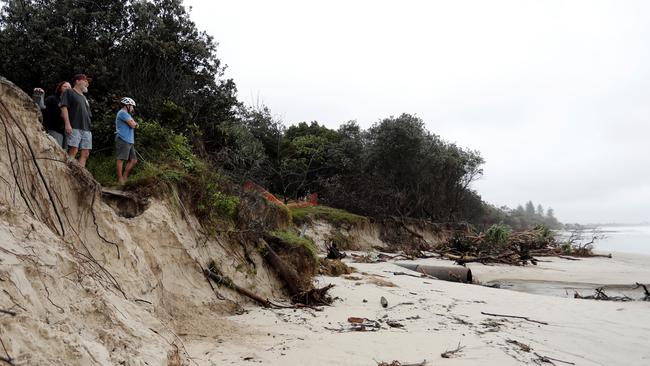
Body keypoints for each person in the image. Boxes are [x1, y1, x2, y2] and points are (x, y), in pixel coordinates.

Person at [60, 74, 92, 167]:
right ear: (77, 81)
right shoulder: (69, 92)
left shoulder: (84, 97)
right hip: (74, 126)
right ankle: (67, 172)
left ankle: (80, 175)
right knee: (74, 149)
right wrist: (67, 124)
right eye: (85, 80)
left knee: (85, 153)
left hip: (87, 128)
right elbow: (64, 107)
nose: (87, 83)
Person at [32, 82, 72, 147]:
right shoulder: (53, 99)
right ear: (60, 88)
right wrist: (40, 96)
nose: (67, 88)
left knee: (65, 153)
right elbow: (42, 107)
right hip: (54, 130)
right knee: (56, 150)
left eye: (69, 87)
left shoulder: (71, 102)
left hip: (68, 133)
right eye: (65, 86)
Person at [114, 97, 138, 185]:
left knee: (134, 160)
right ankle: (120, 180)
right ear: (127, 105)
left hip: (129, 140)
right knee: (121, 159)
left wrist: (134, 124)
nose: (132, 108)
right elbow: (133, 125)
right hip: (123, 139)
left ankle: (125, 177)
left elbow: (134, 124)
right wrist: (134, 124)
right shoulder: (123, 113)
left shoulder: (127, 115)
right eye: (132, 106)